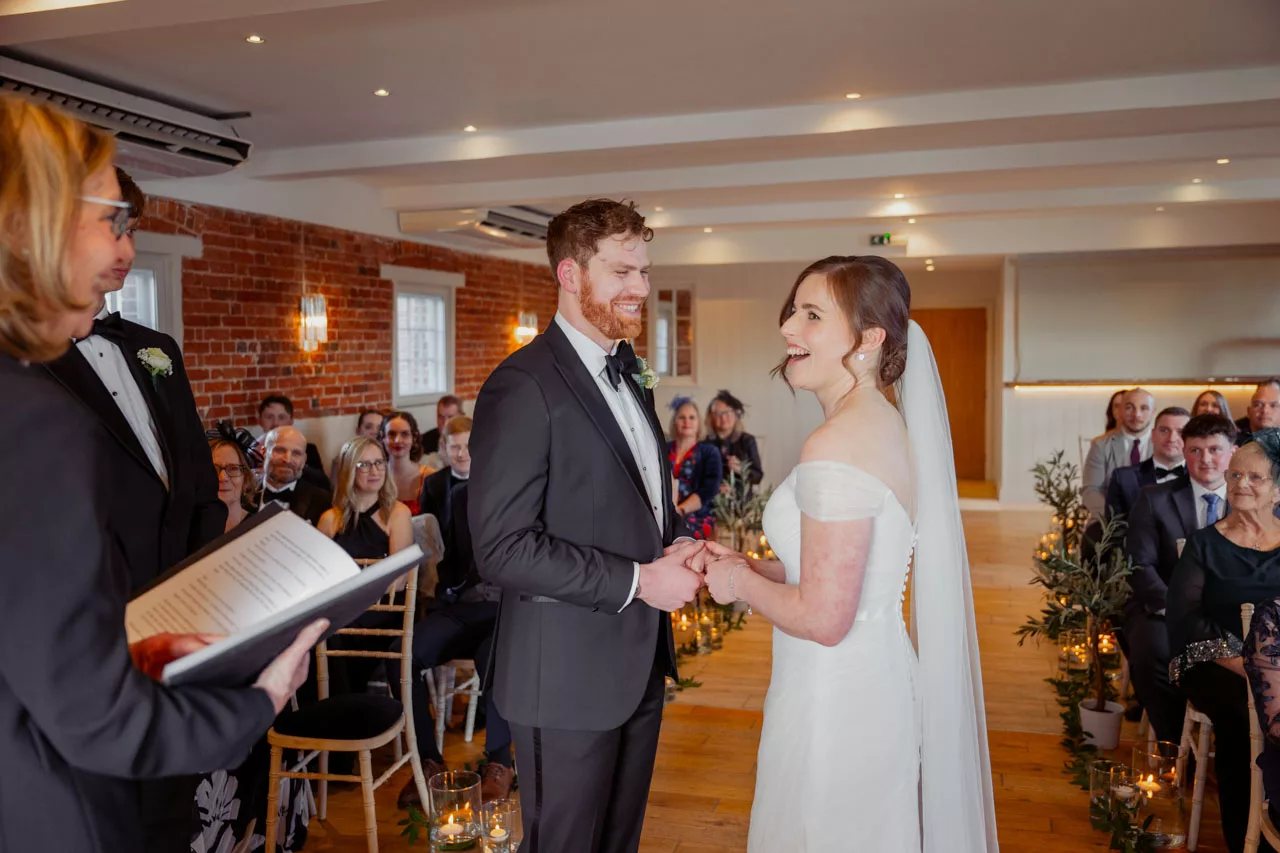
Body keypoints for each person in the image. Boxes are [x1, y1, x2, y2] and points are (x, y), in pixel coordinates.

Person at [0, 93, 323, 853]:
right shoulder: (32, 419)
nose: (124, 242)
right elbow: (95, 715)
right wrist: (259, 697)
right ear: (40, 221)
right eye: (112, 216)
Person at [691, 255, 997, 852]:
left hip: (833, 695)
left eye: (811, 315)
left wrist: (737, 587)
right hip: (874, 678)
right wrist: (749, 566)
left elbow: (826, 618)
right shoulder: (885, 424)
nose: (788, 328)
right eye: (793, 312)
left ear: (868, 338)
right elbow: (853, 571)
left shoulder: (835, 442)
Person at [469, 198, 704, 853]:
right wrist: (640, 580)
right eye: (623, 272)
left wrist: (672, 544)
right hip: (564, 678)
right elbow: (502, 548)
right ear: (570, 275)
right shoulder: (523, 385)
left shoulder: (632, 375)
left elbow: (624, 501)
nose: (642, 289)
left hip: (638, 664)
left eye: (646, 271)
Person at [40, 166, 225, 597]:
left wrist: (200, 573)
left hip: (183, 588)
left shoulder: (157, 348)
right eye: (111, 232)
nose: (127, 254)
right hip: (90, 599)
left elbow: (198, 476)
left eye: (133, 233)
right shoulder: (25, 361)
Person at [1169, 429, 1280, 853]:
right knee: (1241, 715)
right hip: (1214, 662)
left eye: (1254, 478)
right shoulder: (1203, 545)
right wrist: (1252, 669)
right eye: (1234, 476)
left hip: (1278, 665)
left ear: (1277, 489)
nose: (1240, 485)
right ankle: (1245, 837)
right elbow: (1186, 622)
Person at [397, 415, 516, 808]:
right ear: (444, 449)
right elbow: (443, 551)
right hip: (457, 602)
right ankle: (428, 761)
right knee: (405, 656)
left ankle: (500, 763)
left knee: (492, 658)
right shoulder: (445, 490)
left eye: (470, 445)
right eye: (455, 445)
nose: (463, 452)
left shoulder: (509, 486)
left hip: (501, 606)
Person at [1122, 413, 1236, 743]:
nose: (1206, 460)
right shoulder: (1154, 498)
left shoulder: (1254, 500)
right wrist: (1180, 611)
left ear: (1233, 452)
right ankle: (1173, 744)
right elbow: (1139, 565)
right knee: (1151, 652)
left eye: (1215, 449)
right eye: (1196, 450)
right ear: (1184, 452)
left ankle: (1231, 744)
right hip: (1163, 610)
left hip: (1230, 615)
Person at [1105, 406, 1189, 520]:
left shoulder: (1202, 478)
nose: (1172, 439)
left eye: (1181, 432)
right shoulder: (1123, 478)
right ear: (1153, 435)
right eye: (1164, 430)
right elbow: (1113, 532)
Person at [1082, 387, 1156, 518]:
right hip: (1110, 524)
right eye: (1129, 407)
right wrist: (1116, 520)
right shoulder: (1100, 446)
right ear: (1119, 411)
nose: (1136, 414)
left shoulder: (1166, 445)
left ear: (1153, 412)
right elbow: (1091, 491)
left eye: (1144, 408)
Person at [667, 397, 723, 539]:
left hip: (696, 517)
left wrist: (679, 510)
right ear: (675, 422)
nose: (687, 422)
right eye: (682, 417)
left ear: (699, 424)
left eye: (692, 418)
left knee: (680, 536)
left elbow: (710, 489)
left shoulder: (709, 452)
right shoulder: (663, 449)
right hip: (664, 515)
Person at [254, 425, 332, 526]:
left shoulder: (322, 501)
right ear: (264, 452)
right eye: (280, 450)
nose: (287, 459)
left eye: (296, 453)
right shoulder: (242, 495)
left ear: (304, 460)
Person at [257, 394, 330, 490]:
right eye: (269, 417)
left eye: (282, 417)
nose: (276, 423)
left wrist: (294, 465)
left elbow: (323, 482)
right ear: (260, 420)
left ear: (291, 421)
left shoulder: (309, 449)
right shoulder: (246, 451)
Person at [706, 389, 764, 489]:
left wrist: (741, 469)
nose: (723, 418)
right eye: (718, 413)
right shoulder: (705, 444)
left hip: (741, 501)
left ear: (736, 415)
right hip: (713, 500)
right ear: (711, 417)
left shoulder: (747, 441)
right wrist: (715, 487)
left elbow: (757, 477)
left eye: (727, 412)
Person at [380, 410, 435, 515]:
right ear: (383, 437)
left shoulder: (429, 476)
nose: (397, 440)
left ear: (414, 438)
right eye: (391, 434)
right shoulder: (375, 475)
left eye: (404, 434)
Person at [208, 424, 258, 533]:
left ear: (246, 478)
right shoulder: (191, 530)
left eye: (233, 469)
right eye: (215, 469)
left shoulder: (259, 527)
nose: (223, 478)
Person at [330, 407, 384, 485]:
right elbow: (336, 491)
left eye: (379, 428)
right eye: (368, 427)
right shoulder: (342, 459)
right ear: (358, 431)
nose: (375, 432)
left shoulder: (390, 458)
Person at [421, 394, 462, 466]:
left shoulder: (468, 440)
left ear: (460, 417)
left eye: (450, 417)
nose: (445, 423)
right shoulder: (425, 440)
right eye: (441, 417)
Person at [1238, 379, 1280, 447]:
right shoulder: (1233, 446)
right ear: (1248, 412)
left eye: (1273, 405)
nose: (1265, 410)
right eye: (1258, 404)